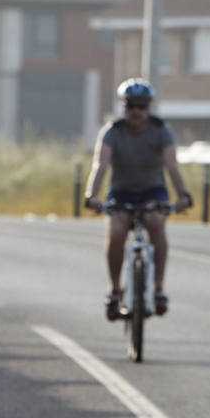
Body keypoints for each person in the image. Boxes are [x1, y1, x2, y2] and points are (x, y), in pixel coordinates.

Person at [83, 78, 193, 320]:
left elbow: (172, 166)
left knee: (156, 224)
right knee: (117, 233)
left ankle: (158, 287)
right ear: (123, 107)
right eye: (131, 106)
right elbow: (100, 165)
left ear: (149, 108)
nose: (136, 112)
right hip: (121, 191)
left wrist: (183, 195)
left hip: (153, 190)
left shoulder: (161, 131)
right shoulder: (112, 132)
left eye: (141, 106)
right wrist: (91, 195)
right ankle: (114, 289)